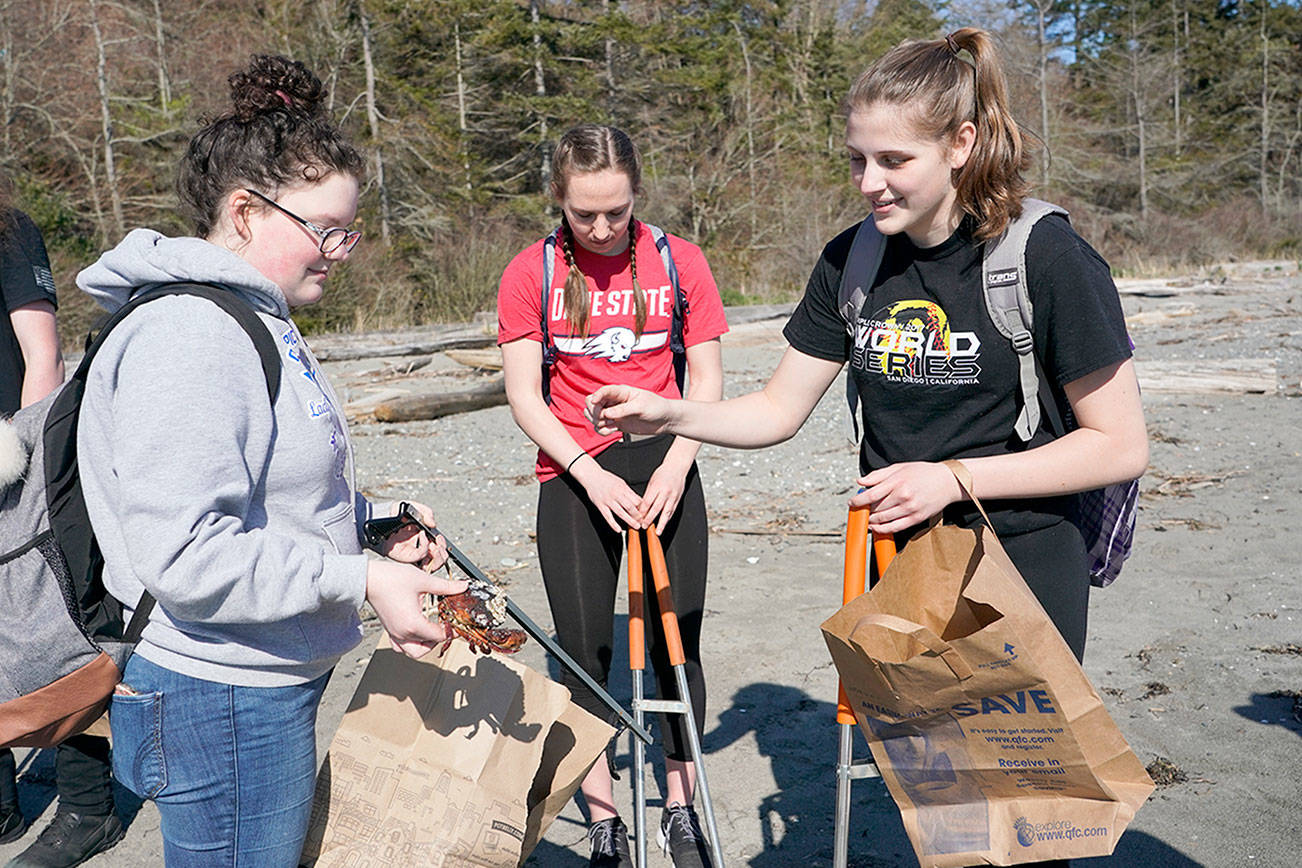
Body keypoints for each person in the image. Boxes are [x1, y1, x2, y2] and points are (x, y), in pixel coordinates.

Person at [588, 33, 1146, 867]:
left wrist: (952, 480)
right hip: (900, 561)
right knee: (947, 809)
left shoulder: (1048, 256)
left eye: (893, 159)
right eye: (856, 159)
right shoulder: (854, 259)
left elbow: (1119, 445)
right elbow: (779, 408)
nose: (868, 182)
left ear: (961, 146)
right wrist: (670, 414)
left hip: (1024, 558)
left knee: (1025, 820)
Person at [73, 55, 464, 867]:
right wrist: (363, 580)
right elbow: (186, 553)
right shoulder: (191, 334)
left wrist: (367, 526)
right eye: (325, 230)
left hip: (255, 684)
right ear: (246, 212)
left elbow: (257, 502)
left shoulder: (255, 318)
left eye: (347, 231)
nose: (340, 251)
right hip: (219, 695)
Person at [497, 123, 728, 868]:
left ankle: (680, 808)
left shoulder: (678, 260)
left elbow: (707, 381)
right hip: (573, 473)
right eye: (583, 213)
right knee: (586, 651)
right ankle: (605, 818)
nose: (600, 228)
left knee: (674, 644)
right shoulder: (529, 272)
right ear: (558, 200)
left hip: (666, 464)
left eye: (616, 213)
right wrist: (588, 474)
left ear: (637, 196)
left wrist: (678, 462)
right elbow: (526, 397)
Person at [0, 184, 125, 868]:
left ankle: (88, 807)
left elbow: (41, 355)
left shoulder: (10, 227)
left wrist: (26, 464)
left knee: (59, 629)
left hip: (16, 464)